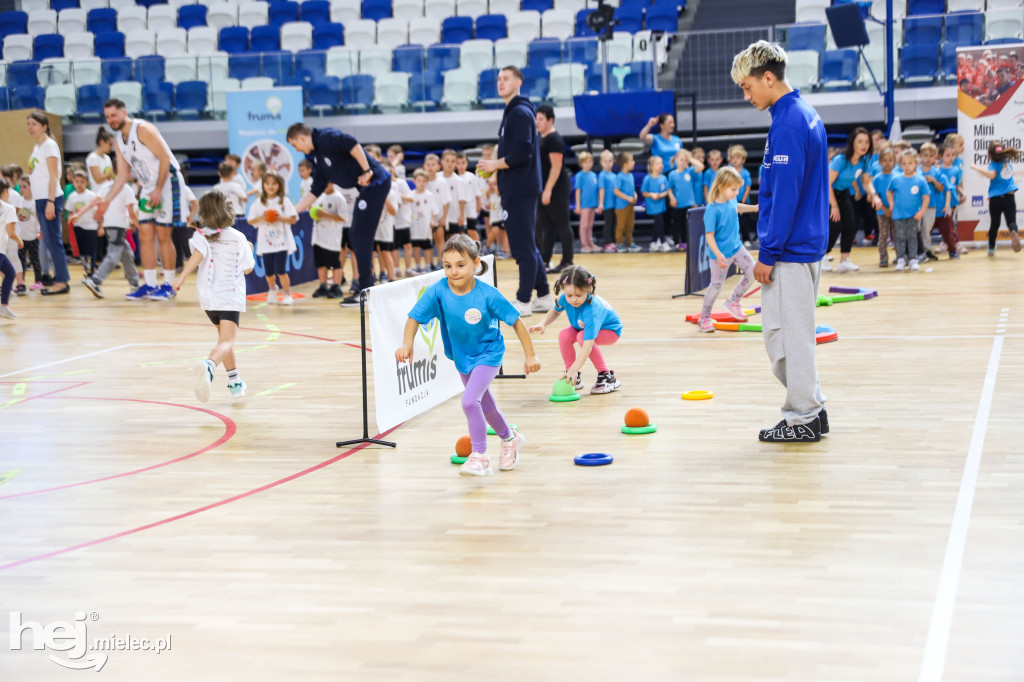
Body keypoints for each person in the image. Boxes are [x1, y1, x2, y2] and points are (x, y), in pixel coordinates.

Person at [732, 40, 829, 443]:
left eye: (747, 86)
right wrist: (763, 207)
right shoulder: (801, 114)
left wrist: (767, 253)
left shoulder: (788, 122)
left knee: (783, 339)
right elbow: (791, 187)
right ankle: (812, 410)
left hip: (788, 250)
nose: (746, 94)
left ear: (768, 78)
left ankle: (804, 416)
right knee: (790, 336)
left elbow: (788, 193)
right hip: (804, 242)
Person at [395, 235, 540, 477]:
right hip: (462, 357)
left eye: (460, 265)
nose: (453, 271)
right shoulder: (438, 291)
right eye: (447, 266)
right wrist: (407, 343)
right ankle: (509, 438)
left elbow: (516, 322)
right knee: (487, 406)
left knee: (469, 402)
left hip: (488, 353)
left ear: (475, 263)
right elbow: (414, 317)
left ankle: (480, 456)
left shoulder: (488, 294)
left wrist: (531, 355)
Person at [287, 122, 392, 306]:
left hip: (376, 182)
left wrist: (367, 171)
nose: (296, 149)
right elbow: (315, 189)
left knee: (359, 236)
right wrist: (294, 211)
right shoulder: (317, 158)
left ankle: (366, 292)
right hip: (369, 189)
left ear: (301, 138)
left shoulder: (325, 137)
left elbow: (353, 144)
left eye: (295, 145)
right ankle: (367, 290)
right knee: (358, 236)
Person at [476, 66, 552, 317]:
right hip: (519, 188)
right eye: (498, 79)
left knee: (522, 249)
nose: (500, 82)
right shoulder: (515, 112)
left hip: (521, 190)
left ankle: (523, 300)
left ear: (519, 83)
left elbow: (522, 152)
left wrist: (494, 165)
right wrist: (498, 171)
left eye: (506, 78)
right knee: (528, 245)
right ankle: (543, 296)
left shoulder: (519, 113)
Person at [97, 99, 191, 301]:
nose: (110, 120)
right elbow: (122, 175)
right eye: (107, 117)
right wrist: (106, 201)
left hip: (167, 183)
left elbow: (165, 158)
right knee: (145, 235)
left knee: (164, 236)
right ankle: (149, 285)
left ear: (124, 112)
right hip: (149, 188)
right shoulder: (118, 140)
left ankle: (169, 285)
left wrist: (158, 189)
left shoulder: (143, 129)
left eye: (113, 115)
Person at [172, 191, 255, 403]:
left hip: (208, 299)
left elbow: (196, 256)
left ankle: (235, 383)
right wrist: (250, 251)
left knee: (223, 341)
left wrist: (181, 277)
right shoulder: (239, 238)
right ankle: (209, 366)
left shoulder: (201, 235)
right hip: (229, 296)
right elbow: (248, 269)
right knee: (227, 341)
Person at [528, 264, 622, 395]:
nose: (573, 299)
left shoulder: (592, 310)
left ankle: (606, 376)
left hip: (610, 331)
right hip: (582, 328)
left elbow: (587, 346)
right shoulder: (565, 298)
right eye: (569, 295)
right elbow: (555, 311)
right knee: (564, 335)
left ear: (588, 289)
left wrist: (575, 366)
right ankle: (573, 376)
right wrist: (543, 323)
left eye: (579, 295)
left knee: (581, 337)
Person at [696, 167, 759, 333]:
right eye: (733, 189)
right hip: (720, 254)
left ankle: (733, 301)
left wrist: (753, 208)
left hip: (736, 247)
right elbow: (709, 236)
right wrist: (718, 255)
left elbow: (735, 207)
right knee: (716, 285)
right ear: (720, 187)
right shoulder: (712, 209)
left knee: (753, 271)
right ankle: (705, 318)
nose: (736, 192)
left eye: (738, 188)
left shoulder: (731, 198)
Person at [26, 111, 69, 296]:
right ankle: (58, 279)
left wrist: (51, 201)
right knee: (50, 242)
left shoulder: (49, 146)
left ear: (44, 126)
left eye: (34, 124)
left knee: (54, 242)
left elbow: (54, 176)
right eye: (28, 124)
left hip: (49, 198)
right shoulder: (38, 147)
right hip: (41, 200)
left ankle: (62, 282)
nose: (30, 127)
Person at [826, 127, 880, 272]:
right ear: (852, 143)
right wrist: (834, 206)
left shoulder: (865, 160)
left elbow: (866, 182)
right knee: (835, 227)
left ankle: (844, 260)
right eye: (860, 142)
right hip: (827, 195)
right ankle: (823, 258)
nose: (864, 145)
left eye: (866, 142)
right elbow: (827, 184)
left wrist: (874, 195)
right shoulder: (840, 160)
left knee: (851, 225)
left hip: (843, 193)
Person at [74, 181, 140, 298]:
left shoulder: (105, 186)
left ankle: (135, 285)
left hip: (109, 226)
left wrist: (79, 215)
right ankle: (95, 280)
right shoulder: (126, 188)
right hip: (118, 227)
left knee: (127, 254)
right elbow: (131, 213)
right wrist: (141, 227)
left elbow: (93, 202)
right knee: (113, 255)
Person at [247, 171, 298, 305]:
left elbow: (293, 219)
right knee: (269, 272)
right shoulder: (259, 203)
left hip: (281, 242)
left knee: (281, 270)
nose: (271, 186)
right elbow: (250, 220)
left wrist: (280, 217)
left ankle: (287, 294)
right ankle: (273, 289)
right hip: (265, 242)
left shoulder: (284, 201)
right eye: (267, 183)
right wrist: (262, 217)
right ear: (263, 185)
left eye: (274, 183)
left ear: (279, 186)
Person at [535, 104, 574, 273]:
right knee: (546, 225)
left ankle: (567, 261)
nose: (538, 122)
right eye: (536, 119)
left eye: (541, 119)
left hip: (556, 187)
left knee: (562, 224)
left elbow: (556, 167)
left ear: (550, 120)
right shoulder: (541, 137)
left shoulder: (554, 139)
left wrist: (548, 189)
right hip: (544, 186)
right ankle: (544, 260)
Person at [971, 141, 1020, 256]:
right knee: (1011, 221)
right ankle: (1013, 231)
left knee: (994, 224)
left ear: (989, 155)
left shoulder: (993, 164)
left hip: (995, 199)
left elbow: (992, 175)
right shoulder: (1007, 162)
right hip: (1009, 197)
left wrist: (976, 167)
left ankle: (991, 248)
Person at [886, 148, 930, 272]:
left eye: (910, 163)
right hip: (898, 215)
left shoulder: (920, 180)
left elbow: (926, 198)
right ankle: (900, 259)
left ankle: (912, 259)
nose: (907, 166)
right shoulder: (896, 179)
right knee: (900, 237)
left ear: (916, 163)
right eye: (904, 163)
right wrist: (891, 203)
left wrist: (921, 212)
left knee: (912, 236)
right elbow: (889, 192)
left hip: (913, 215)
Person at [310, 183, 348, 299]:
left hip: (332, 237)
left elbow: (343, 217)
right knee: (320, 263)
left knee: (335, 263)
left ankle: (336, 286)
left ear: (332, 182)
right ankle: (323, 285)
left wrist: (326, 215)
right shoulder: (320, 196)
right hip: (318, 236)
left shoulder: (339, 198)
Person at [65, 170, 100, 276]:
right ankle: (87, 270)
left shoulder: (91, 195)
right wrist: (71, 219)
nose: (79, 184)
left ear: (87, 183)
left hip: (91, 226)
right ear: (73, 183)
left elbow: (98, 210)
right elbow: (70, 211)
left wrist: (100, 225)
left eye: (82, 182)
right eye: (77, 182)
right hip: (78, 226)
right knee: (82, 251)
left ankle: (92, 271)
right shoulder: (72, 196)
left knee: (91, 250)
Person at [667, 148, 702, 252]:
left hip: (689, 204)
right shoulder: (672, 174)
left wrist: (690, 158)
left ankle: (686, 242)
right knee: (677, 224)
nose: (684, 162)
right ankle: (678, 242)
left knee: (686, 225)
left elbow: (701, 166)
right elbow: (669, 189)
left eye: (685, 161)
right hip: (678, 204)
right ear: (676, 160)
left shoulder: (689, 171)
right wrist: (672, 197)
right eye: (681, 160)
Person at [934, 144, 962, 259]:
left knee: (950, 226)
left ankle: (953, 245)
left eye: (953, 155)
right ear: (941, 156)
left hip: (952, 203)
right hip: (938, 204)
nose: (951, 158)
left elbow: (955, 185)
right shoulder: (937, 171)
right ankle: (944, 244)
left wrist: (962, 193)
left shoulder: (956, 170)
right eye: (947, 155)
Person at [410, 169, 440, 274]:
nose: (421, 183)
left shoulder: (429, 195)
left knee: (427, 247)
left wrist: (432, 220)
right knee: (416, 247)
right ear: (414, 181)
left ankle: (427, 265)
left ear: (427, 182)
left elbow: (435, 210)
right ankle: (418, 266)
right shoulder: (411, 195)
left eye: (423, 181)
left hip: (426, 226)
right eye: (419, 180)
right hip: (414, 226)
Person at [870, 148, 897, 268]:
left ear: (894, 161)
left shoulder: (897, 176)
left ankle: (900, 256)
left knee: (898, 235)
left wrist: (893, 209)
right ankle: (883, 258)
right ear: (880, 161)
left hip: (897, 212)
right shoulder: (877, 178)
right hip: (882, 212)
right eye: (885, 160)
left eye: (890, 160)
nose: (887, 163)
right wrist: (886, 209)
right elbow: (875, 195)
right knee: (883, 235)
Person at [0, 178, 22, 320]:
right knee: (10, 273)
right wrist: (20, 241)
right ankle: (4, 306)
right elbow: (12, 232)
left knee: (9, 273)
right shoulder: (8, 208)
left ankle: (4, 306)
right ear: (6, 191)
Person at [641, 156, 670, 252]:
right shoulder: (647, 179)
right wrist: (652, 195)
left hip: (661, 204)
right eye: (658, 164)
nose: (661, 165)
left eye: (661, 163)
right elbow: (644, 192)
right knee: (660, 223)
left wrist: (661, 195)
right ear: (651, 166)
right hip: (652, 205)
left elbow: (667, 191)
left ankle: (653, 241)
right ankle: (663, 241)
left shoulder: (663, 178)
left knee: (658, 223)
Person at [572, 151, 599, 253]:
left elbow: (595, 190)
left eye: (590, 161)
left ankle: (590, 242)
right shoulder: (579, 176)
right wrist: (578, 205)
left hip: (593, 203)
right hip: (584, 204)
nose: (588, 164)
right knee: (584, 224)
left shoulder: (593, 175)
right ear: (581, 163)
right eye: (585, 162)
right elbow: (578, 191)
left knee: (590, 224)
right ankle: (584, 244)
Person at [613, 152, 639, 251]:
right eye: (631, 160)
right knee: (621, 226)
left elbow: (632, 189)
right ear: (625, 163)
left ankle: (630, 242)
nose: (634, 162)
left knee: (630, 225)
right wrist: (628, 198)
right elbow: (616, 191)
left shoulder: (631, 176)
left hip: (630, 205)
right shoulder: (619, 176)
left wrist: (635, 195)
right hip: (621, 206)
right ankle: (619, 243)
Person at [597, 149, 618, 252]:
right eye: (605, 161)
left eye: (610, 161)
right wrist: (601, 203)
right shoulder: (602, 175)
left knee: (615, 223)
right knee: (608, 223)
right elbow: (601, 190)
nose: (608, 163)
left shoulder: (614, 175)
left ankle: (614, 241)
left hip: (615, 204)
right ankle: (607, 243)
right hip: (607, 204)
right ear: (601, 162)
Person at [86, 127, 115, 192]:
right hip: (97, 193)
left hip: (108, 192)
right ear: (102, 142)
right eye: (110, 144)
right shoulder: (93, 158)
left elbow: (111, 177)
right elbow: (98, 180)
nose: (111, 147)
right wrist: (111, 171)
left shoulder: (107, 158)